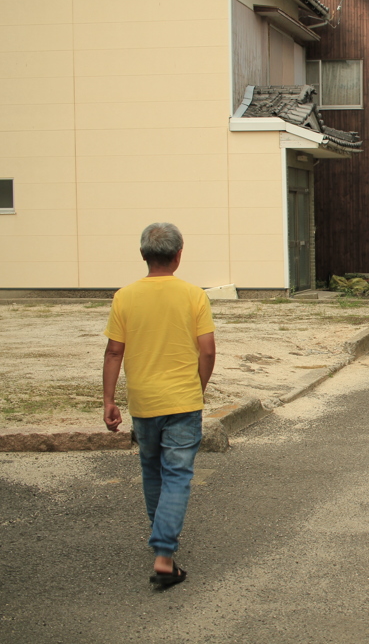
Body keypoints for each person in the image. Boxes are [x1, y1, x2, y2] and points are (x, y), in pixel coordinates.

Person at [102, 222, 216, 588]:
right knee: (178, 475)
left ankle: (163, 548)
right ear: (178, 255)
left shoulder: (125, 297)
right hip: (183, 400)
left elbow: (114, 350)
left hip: (144, 402)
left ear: (143, 254)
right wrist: (198, 386)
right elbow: (208, 349)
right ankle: (164, 553)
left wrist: (108, 400)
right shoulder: (194, 295)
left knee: (153, 473)